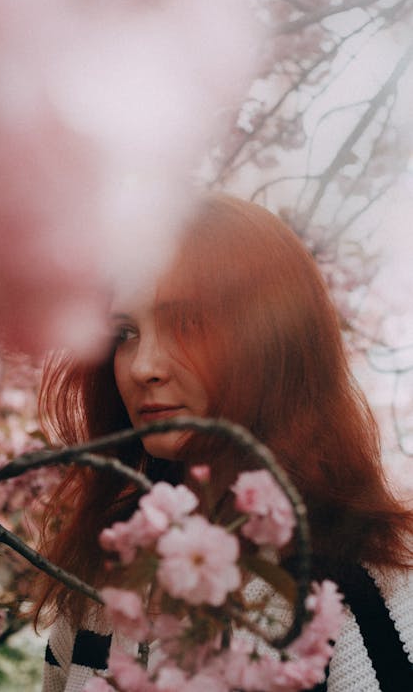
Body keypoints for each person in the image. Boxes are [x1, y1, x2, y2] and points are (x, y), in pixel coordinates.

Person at [35, 194, 413, 691]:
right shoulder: (100, 581)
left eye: (187, 324)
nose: (144, 366)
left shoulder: (362, 590)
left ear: (271, 344)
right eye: (125, 332)